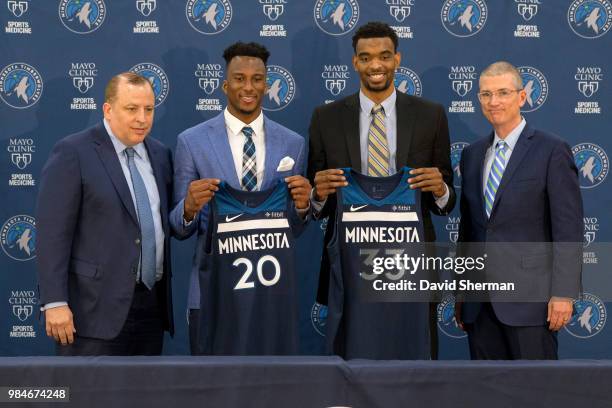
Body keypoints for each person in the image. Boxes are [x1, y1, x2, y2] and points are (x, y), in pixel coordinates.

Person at [308, 21, 455, 359]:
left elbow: (445, 202)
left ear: (398, 59)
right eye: (366, 57)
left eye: (384, 56)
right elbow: (316, 199)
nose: (376, 65)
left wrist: (441, 189)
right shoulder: (325, 118)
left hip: (412, 263)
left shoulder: (430, 115)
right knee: (349, 362)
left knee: (415, 362)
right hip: (348, 262)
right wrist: (317, 196)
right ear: (355, 62)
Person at [170, 41, 311, 355]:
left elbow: (291, 230)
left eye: (257, 79)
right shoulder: (191, 142)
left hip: (271, 294)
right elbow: (179, 228)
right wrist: (189, 208)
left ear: (266, 84)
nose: (249, 87)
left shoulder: (293, 144)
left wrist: (303, 209)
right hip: (212, 294)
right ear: (224, 84)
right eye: (239, 78)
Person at [36, 72, 174, 355]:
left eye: (149, 109)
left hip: (151, 306)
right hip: (92, 311)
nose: (142, 118)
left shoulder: (160, 154)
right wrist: (54, 302)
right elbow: (52, 235)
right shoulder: (74, 152)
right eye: (131, 109)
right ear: (108, 110)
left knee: (144, 399)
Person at [455, 61, 583, 359]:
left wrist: (563, 293)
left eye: (503, 92)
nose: (494, 101)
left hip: (531, 303)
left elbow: (568, 228)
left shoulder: (552, 149)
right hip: (480, 305)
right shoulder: (472, 155)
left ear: (522, 97)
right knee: (486, 396)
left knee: (536, 395)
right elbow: (468, 232)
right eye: (486, 94)